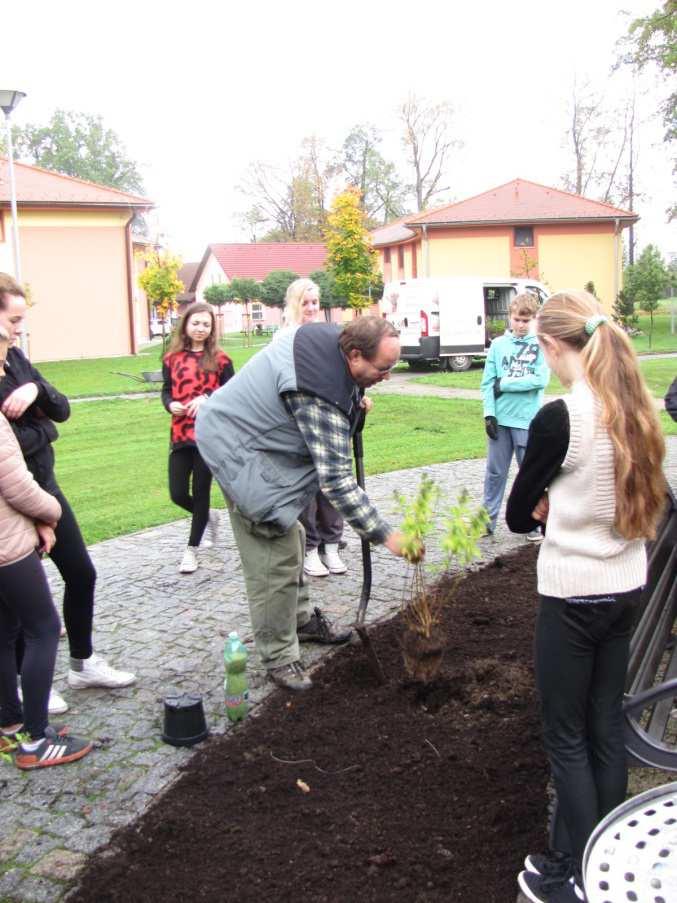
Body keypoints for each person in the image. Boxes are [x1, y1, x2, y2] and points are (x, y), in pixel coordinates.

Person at [505, 290, 666, 903]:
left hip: (572, 595)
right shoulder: (636, 407)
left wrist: (546, 506)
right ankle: (604, 851)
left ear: (550, 345)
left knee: (566, 735)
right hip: (627, 587)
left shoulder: (560, 416)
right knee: (604, 726)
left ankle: (574, 871)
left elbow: (519, 514)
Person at [196, 316, 418, 691]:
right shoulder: (320, 393)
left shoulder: (332, 346)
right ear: (354, 355)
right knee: (274, 548)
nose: (387, 376)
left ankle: (299, 621)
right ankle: (279, 657)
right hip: (236, 446)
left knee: (293, 533)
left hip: (259, 436)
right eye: (382, 369)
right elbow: (336, 481)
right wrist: (386, 536)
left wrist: (354, 395)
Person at [0, 273, 135, 713]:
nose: (20, 327)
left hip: (47, 490)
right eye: (14, 318)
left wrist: (35, 389)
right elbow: (17, 448)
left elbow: (62, 409)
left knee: (81, 573)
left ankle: (83, 663)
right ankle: (24, 686)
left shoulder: (17, 361)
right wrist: (41, 429)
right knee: (20, 607)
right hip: (12, 503)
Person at [0, 325, 92, 769]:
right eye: (7, 330)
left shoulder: (16, 363)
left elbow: (58, 411)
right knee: (40, 627)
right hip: (8, 537)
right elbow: (14, 480)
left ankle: (10, 724)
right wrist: (48, 515)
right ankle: (36, 740)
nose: (13, 338)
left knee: (5, 629)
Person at [281, 278, 349, 577]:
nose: (311, 308)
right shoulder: (284, 337)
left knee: (331, 483)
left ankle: (332, 544)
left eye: (315, 302)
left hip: (327, 422)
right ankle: (310, 548)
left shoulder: (330, 336)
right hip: (297, 423)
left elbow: (344, 374)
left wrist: (360, 397)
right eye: (305, 302)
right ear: (294, 304)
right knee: (307, 487)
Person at [162, 301, 234, 574]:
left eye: (206, 324)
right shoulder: (172, 359)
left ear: (212, 327)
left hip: (208, 435)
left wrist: (207, 398)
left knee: (201, 491)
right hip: (180, 433)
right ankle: (207, 517)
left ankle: (191, 550)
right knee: (178, 493)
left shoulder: (221, 359)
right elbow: (167, 391)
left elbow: (233, 393)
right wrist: (170, 405)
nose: (201, 328)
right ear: (186, 325)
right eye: (196, 323)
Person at [481, 292, 549, 540]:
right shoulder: (498, 346)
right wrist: (489, 413)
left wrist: (506, 383)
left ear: (534, 319)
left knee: (528, 474)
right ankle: (486, 521)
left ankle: (531, 523)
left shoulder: (540, 345)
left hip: (526, 420)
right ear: (510, 318)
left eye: (526, 320)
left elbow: (540, 380)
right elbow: (488, 383)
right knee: (495, 473)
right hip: (501, 420)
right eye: (517, 319)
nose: (520, 325)